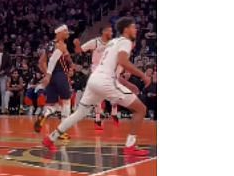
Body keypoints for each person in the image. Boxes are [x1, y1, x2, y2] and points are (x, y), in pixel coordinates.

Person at [43, 17, 152, 158]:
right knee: (141, 109)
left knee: (79, 113)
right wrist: (143, 76)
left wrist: (128, 84)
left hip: (94, 79)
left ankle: (50, 138)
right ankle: (130, 147)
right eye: (133, 27)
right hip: (106, 81)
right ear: (126, 29)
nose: (136, 29)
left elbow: (112, 65)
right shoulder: (126, 42)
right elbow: (123, 62)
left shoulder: (113, 42)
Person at [76, 25, 121, 130]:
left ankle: (114, 113)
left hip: (110, 69)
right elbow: (80, 50)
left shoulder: (113, 43)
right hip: (97, 70)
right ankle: (97, 119)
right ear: (104, 32)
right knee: (98, 95)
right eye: (109, 31)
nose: (112, 32)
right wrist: (77, 44)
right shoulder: (95, 42)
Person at [33, 24, 75, 137]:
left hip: (51, 77)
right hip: (61, 75)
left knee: (53, 103)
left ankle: (45, 113)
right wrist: (71, 68)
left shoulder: (48, 46)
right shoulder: (61, 44)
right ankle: (62, 131)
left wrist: (47, 75)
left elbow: (41, 62)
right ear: (60, 33)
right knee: (66, 102)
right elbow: (67, 60)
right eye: (66, 32)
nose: (68, 34)